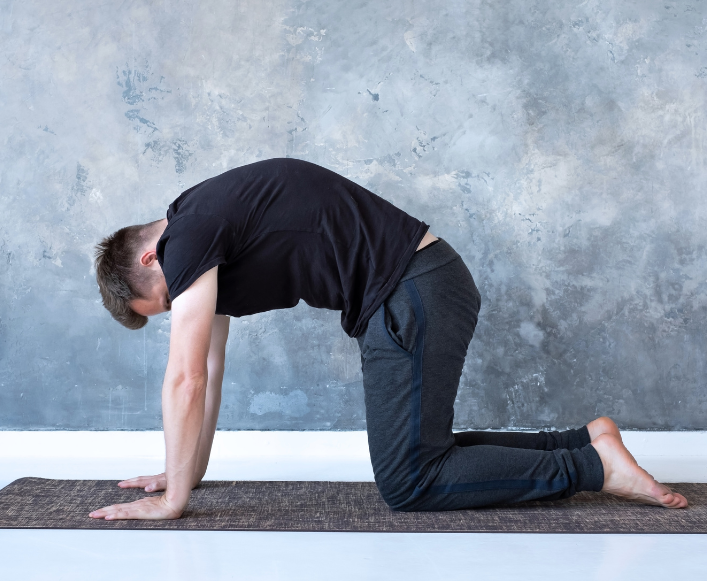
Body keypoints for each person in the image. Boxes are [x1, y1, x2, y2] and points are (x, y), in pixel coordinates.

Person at [88, 158, 687, 521]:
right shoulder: (200, 222)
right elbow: (209, 369)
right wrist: (184, 474)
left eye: (166, 301)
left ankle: (592, 468)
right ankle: (585, 442)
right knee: (422, 452)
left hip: (413, 293)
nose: (179, 309)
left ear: (150, 257)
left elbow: (185, 377)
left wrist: (172, 504)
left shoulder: (188, 238)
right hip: (416, 288)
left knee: (410, 480)